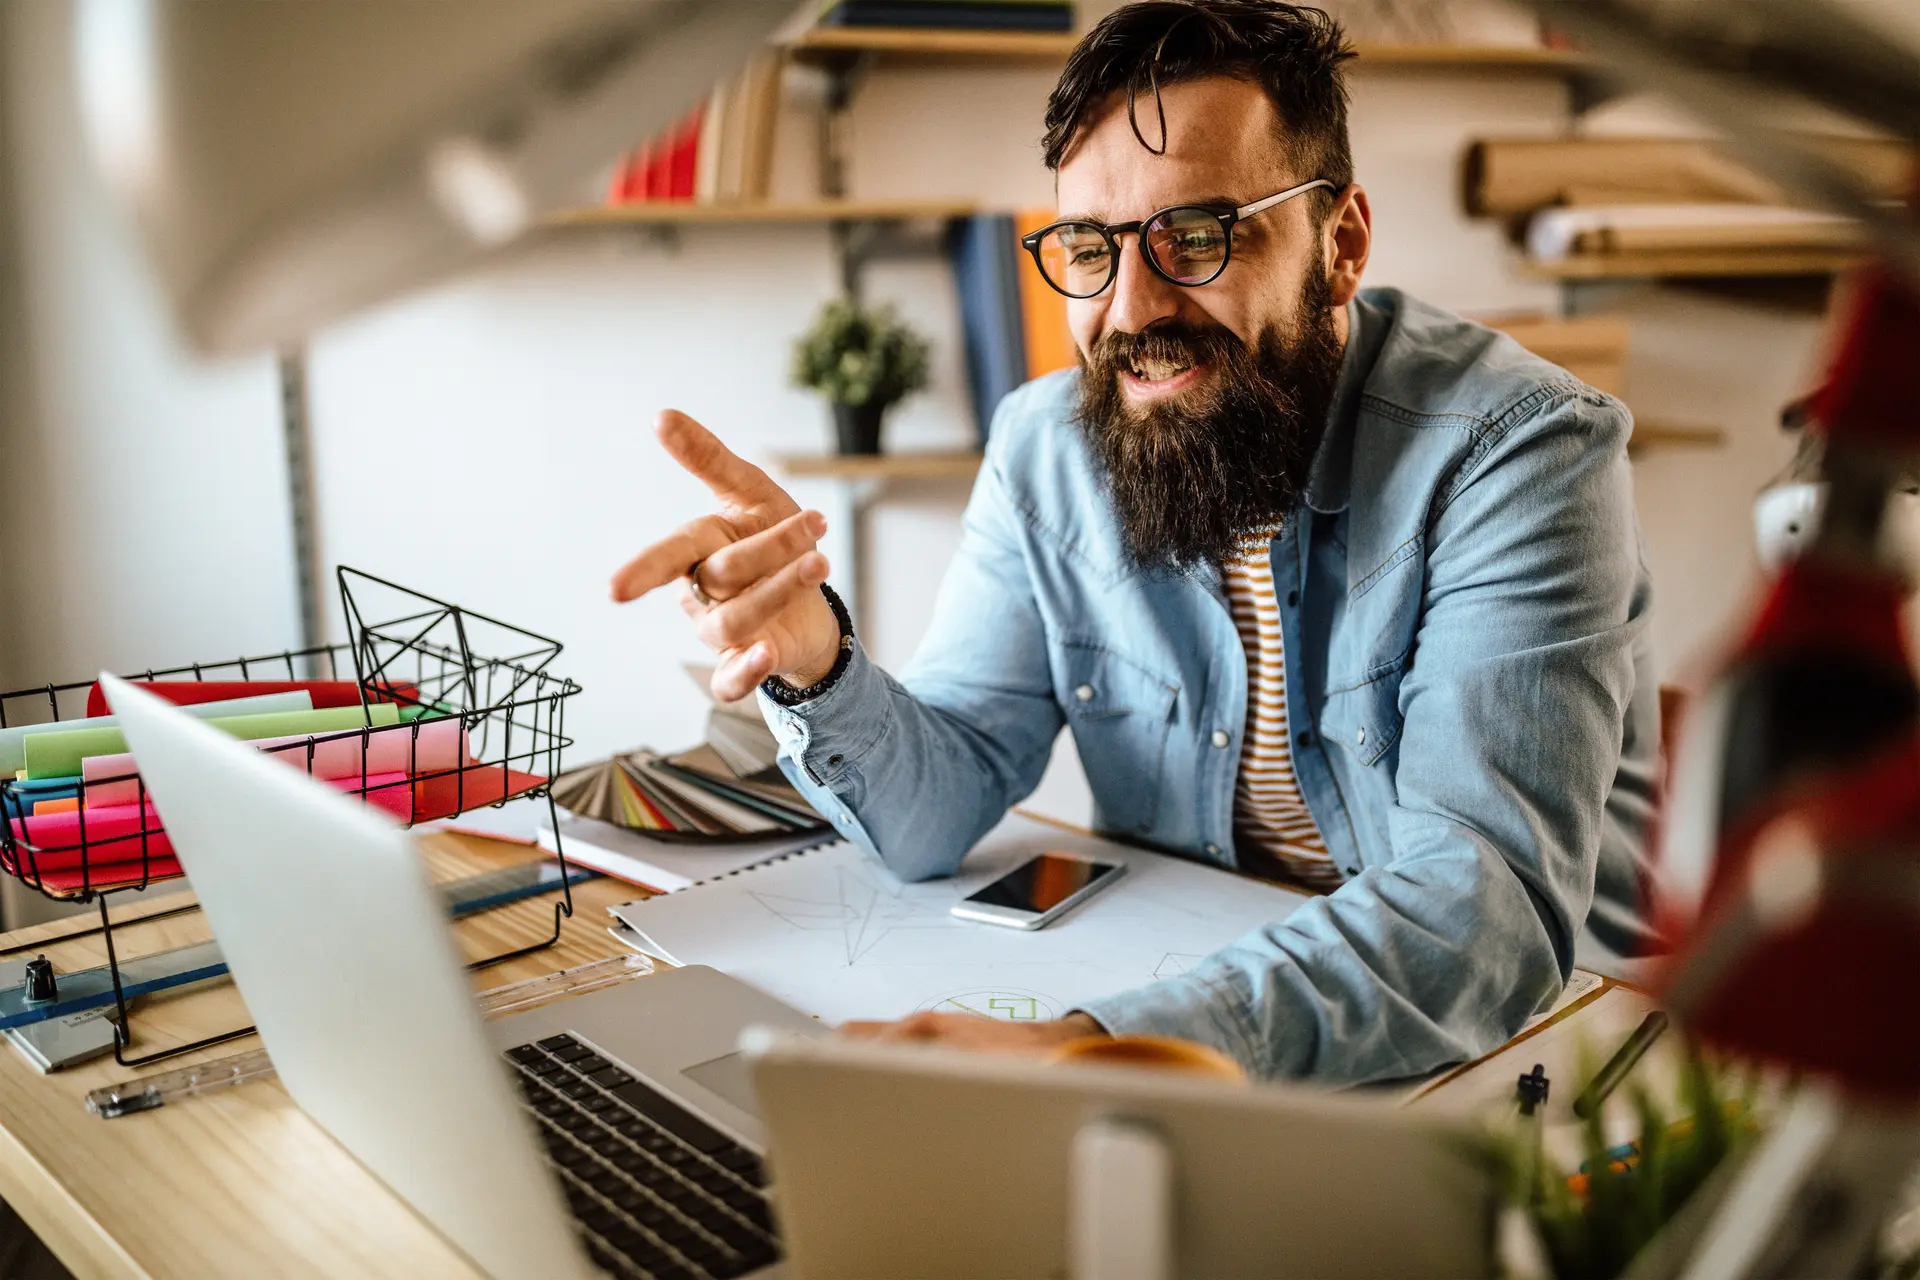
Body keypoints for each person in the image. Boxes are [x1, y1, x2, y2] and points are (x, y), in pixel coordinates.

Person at [610, 0, 1660, 1083]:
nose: (1129, 307)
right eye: (1088, 246)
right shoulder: (1043, 448)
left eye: (1197, 236)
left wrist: (1098, 1048)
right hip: (1223, 1018)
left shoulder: (1521, 450)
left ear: (1339, 243)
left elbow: (1477, 909)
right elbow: (937, 810)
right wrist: (820, 661)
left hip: (1549, 1058)